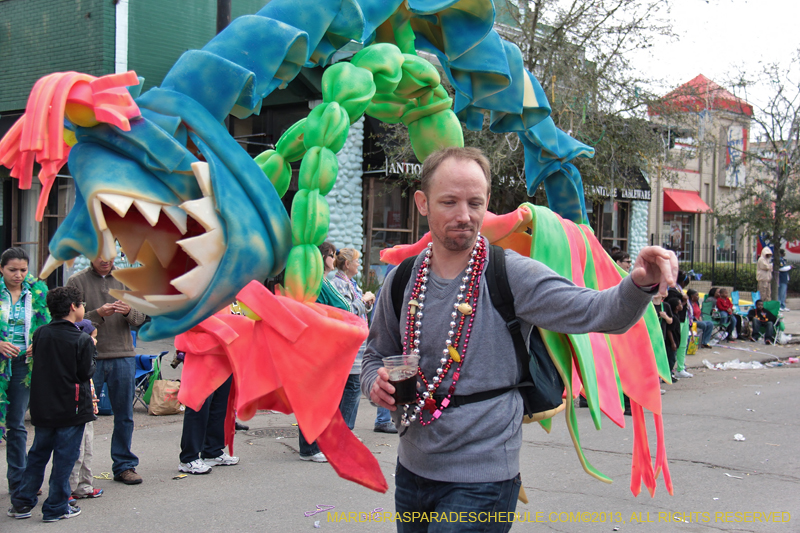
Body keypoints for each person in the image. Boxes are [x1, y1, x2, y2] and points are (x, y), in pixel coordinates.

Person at [361, 147, 677, 531]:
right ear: (423, 203)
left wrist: (640, 281)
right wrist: (374, 384)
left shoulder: (511, 274)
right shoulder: (402, 279)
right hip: (412, 471)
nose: (464, 215)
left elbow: (597, 311)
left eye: (475, 202)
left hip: (483, 479)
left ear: (488, 202)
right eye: (449, 202)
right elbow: (377, 355)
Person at [8, 286, 95, 522]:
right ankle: (56, 506)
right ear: (72, 307)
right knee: (65, 459)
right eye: (81, 304)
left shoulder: (41, 333)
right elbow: (84, 372)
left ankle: (22, 503)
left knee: (38, 454)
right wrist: (92, 351)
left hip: (43, 406)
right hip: (71, 407)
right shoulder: (82, 339)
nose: (83, 308)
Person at [66, 257, 146, 485]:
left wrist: (129, 310)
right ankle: (77, 471)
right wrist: (97, 314)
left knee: (124, 416)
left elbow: (141, 319)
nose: (104, 259)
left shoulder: (126, 279)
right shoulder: (76, 281)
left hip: (123, 355)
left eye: (109, 254)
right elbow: (69, 323)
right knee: (81, 416)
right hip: (89, 357)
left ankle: (124, 466)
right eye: (99, 254)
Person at [0, 247, 50, 495]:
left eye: (23, 270)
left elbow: (47, 324)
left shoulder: (37, 292)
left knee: (17, 424)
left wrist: (36, 342)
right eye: (12, 270)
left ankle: (18, 480)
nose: (18, 275)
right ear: (1, 269)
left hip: (22, 365)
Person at [297, 242, 352, 463]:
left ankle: (315, 444)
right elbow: (344, 307)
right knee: (316, 397)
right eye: (331, 255)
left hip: (319, 344)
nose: (334, 258)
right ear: (321, 257)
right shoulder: (317, 280)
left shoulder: (317, 280)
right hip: (318, 345)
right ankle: (310, 447)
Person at [332, 248, 376, 432]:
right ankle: (344, 433)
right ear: (347, 264)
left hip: (356, 345)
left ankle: (343, 432)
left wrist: (367, 302)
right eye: (357, 261)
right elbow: (346, 311)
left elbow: (358, 309)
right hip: (349, 346)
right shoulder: (339, 284)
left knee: (351, 387)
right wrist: (364, 299)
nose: (359, 264)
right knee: (351, 388)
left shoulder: (349, 283)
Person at [69, 319, 103, 501]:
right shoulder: (76, 355)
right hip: (76, 407)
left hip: (88, 408)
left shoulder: (88, 355)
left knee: (88, 448)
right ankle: (68, 488)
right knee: (77, 450)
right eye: (93, 337)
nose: (95, 341)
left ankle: (85, 485)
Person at [178, 375, 239, 474]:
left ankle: (212, 451)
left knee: (221, 404)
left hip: (225, 361)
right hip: (203, 362)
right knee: (199, 404)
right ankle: (189, 457)